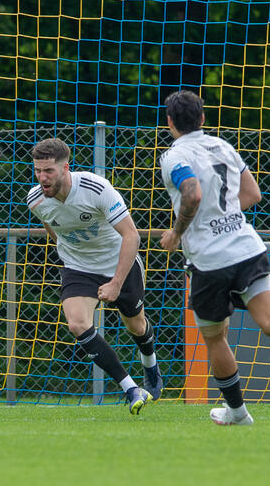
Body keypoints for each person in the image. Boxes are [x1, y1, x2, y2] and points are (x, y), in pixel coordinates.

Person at [157, 90, 270, 426]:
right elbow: (253, 194)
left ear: (170, 121)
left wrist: (177, 232)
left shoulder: (174, 156)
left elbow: (192, 193)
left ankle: (238, 412)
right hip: (248, 247)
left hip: (210, 260)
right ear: (203, 118)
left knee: (215, 337)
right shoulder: (223, 146)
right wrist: (225, 215)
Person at [27, 138, 161, 415]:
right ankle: (130, 388)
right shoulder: (35, 199)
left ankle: (151, 366)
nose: (42, 177)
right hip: (78, 267)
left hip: (118, 264)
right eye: (38, 170)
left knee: (136, 326)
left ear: (66, 168)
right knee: (77, 324)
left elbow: (131, 235)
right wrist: (70, 253)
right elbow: (53, 230)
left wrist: (116, 282)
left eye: (48, 171)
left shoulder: (95, 188)